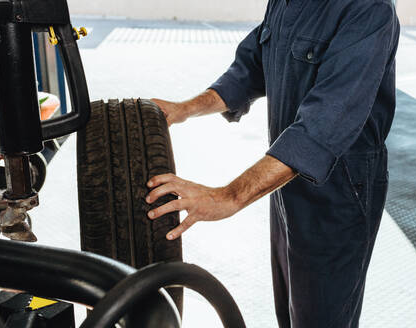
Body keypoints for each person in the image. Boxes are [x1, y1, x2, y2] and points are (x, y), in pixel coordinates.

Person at [147, 0, 400, 326]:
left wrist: (228, 196)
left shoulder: (368, 9)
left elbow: (324, 125)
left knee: (321, 316)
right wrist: (185, 109)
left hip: (340, 191)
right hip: (285, 179)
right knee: (291, 307)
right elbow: (251, 69)